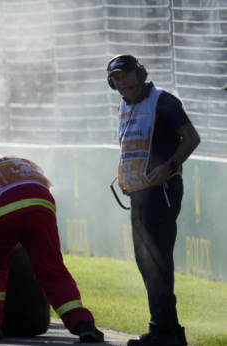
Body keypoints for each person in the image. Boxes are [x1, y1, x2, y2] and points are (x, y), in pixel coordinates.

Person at [0, 145, 104, 342]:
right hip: (42, 207)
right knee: (52, 270)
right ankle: (83, 324)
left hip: (0, 209)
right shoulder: (15, 160)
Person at [107, 55, 200, 346]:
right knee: (146, 261)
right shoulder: (124, 105)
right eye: (115, 79)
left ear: (141, 73)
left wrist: (169, 166)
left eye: (124, 76)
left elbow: (192, 137)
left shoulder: (163, 101)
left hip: (161, 191)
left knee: (156, 260)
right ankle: (170, 331)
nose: (120, 83)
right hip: (139, 193)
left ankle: (162, 330)